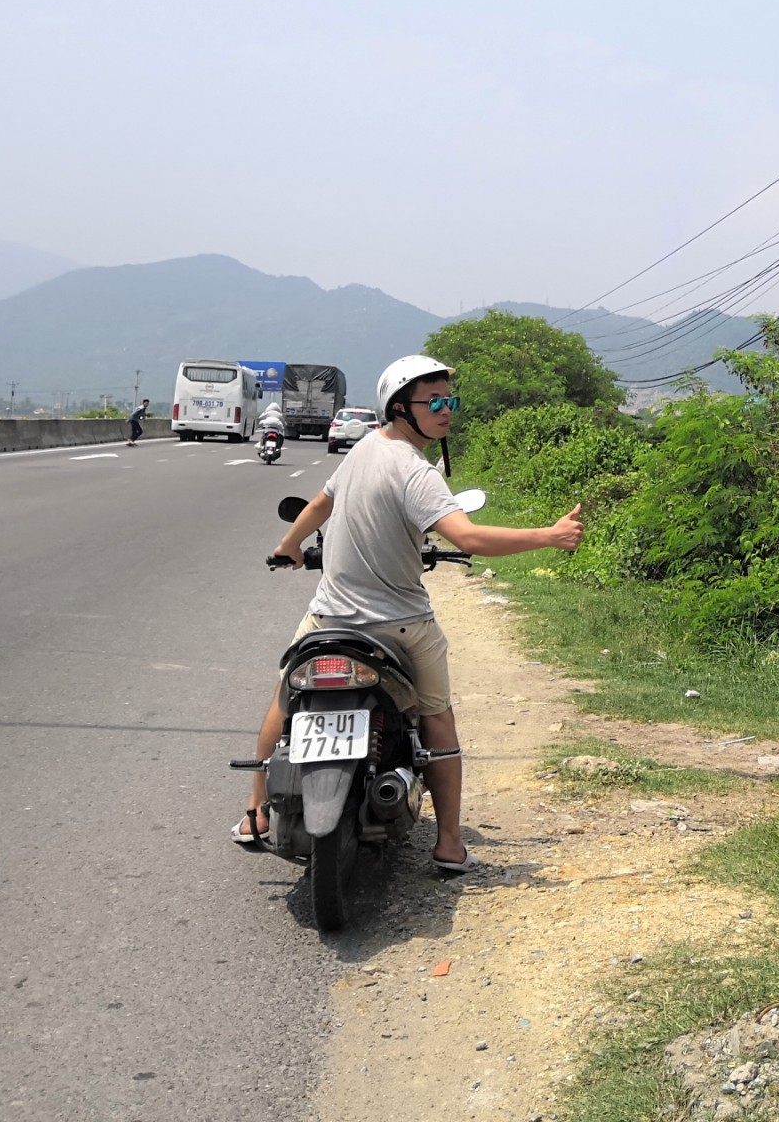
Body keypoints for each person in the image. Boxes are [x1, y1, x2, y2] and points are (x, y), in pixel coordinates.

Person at [235, 354, 583, 872]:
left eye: (450, 401)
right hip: (401, 624)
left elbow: (318, 506)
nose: (447, 411)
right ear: (401, 408)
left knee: (285, 699)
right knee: (438, 715)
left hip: (330, 619)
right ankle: (447, 843)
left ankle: (255, 814)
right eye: (435, 402)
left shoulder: (362, 451)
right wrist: (549, 537)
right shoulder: (418, 472)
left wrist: (288, 546)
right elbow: (466, 538)